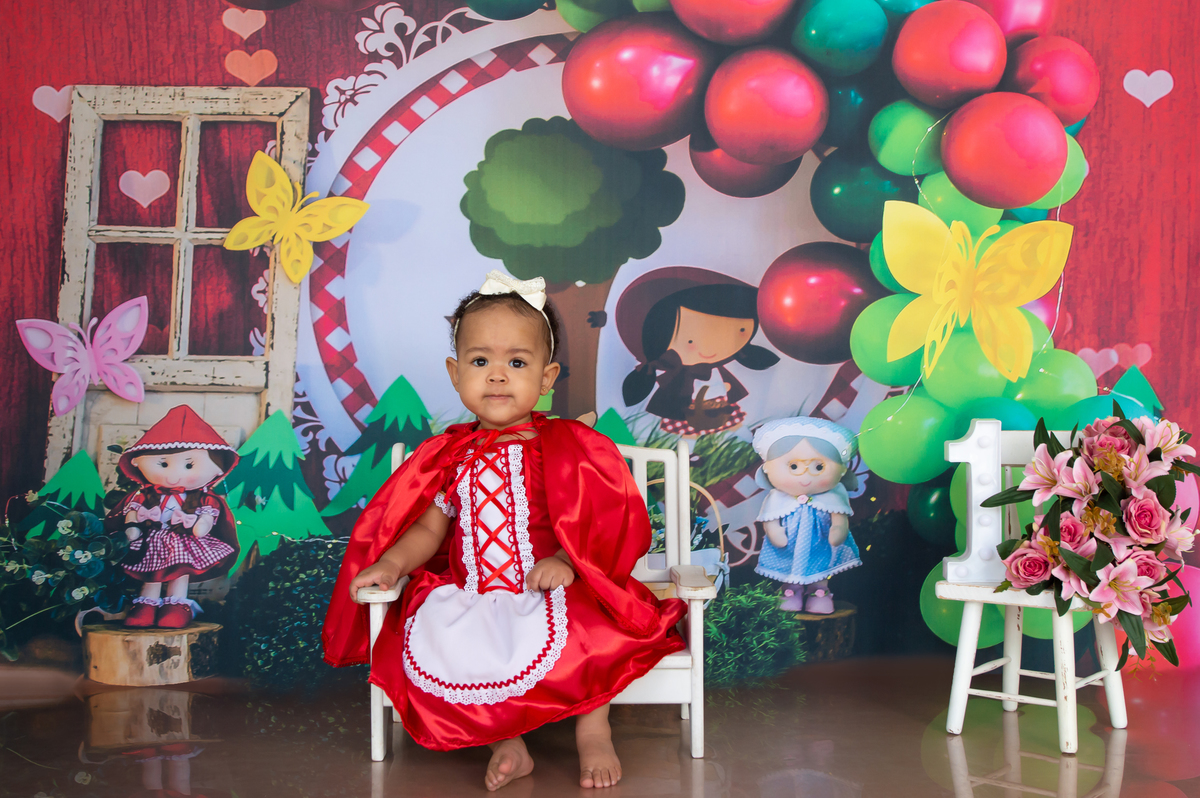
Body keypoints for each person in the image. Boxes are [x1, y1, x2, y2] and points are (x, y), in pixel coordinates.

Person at [322, 271, 686, 791]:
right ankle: (506, 742)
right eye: (479, 362)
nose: (497, 377)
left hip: (550, 587)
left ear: (546, 377)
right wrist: (392, 563)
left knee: (593, 629)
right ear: (455, 373)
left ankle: (593, 731)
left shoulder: (564, 446)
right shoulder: (450, 457)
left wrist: (565, 560)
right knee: (445, 643)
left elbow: (601, 518)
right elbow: (428, 528)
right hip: (475, 591)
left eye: (517, 362)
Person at [111, 405, 241, 629]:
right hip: (152, 538)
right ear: (137, 461)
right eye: (163, 464)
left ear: (218, 470)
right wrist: (132, 525)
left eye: (189, 465)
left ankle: (176, 604)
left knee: (180, 571)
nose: (174, 475)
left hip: (184, 540)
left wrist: (201, 525)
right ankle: (146, 603)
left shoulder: (204, 498)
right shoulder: (144, 495)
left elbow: (207, 518)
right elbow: (132, 512)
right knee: (151, 571)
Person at [617, 267, 779, 437]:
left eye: (741, 331)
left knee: (734, 424)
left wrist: (723, 388)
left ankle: (749, 440)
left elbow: (723, 385)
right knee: (689, 433)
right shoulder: (678, 378)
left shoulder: (713, 371)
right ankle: (689, 449)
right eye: (690, 341)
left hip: (717, 405)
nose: (712, 347)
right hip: (690, 408)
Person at [752, 417, 863, 615]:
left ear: (842, 469)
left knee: (820, 567)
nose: (805, 477)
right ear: (767, 468)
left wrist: (838, 529)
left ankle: (819, 591)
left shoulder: (834, 496)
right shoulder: (777, 498)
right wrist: (774, 530)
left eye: (819, 467)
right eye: (793, 467)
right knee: (788, 566)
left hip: (820, 544)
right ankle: (790, 590)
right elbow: (770, 519)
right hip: (789, 545)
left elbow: (840, 518)